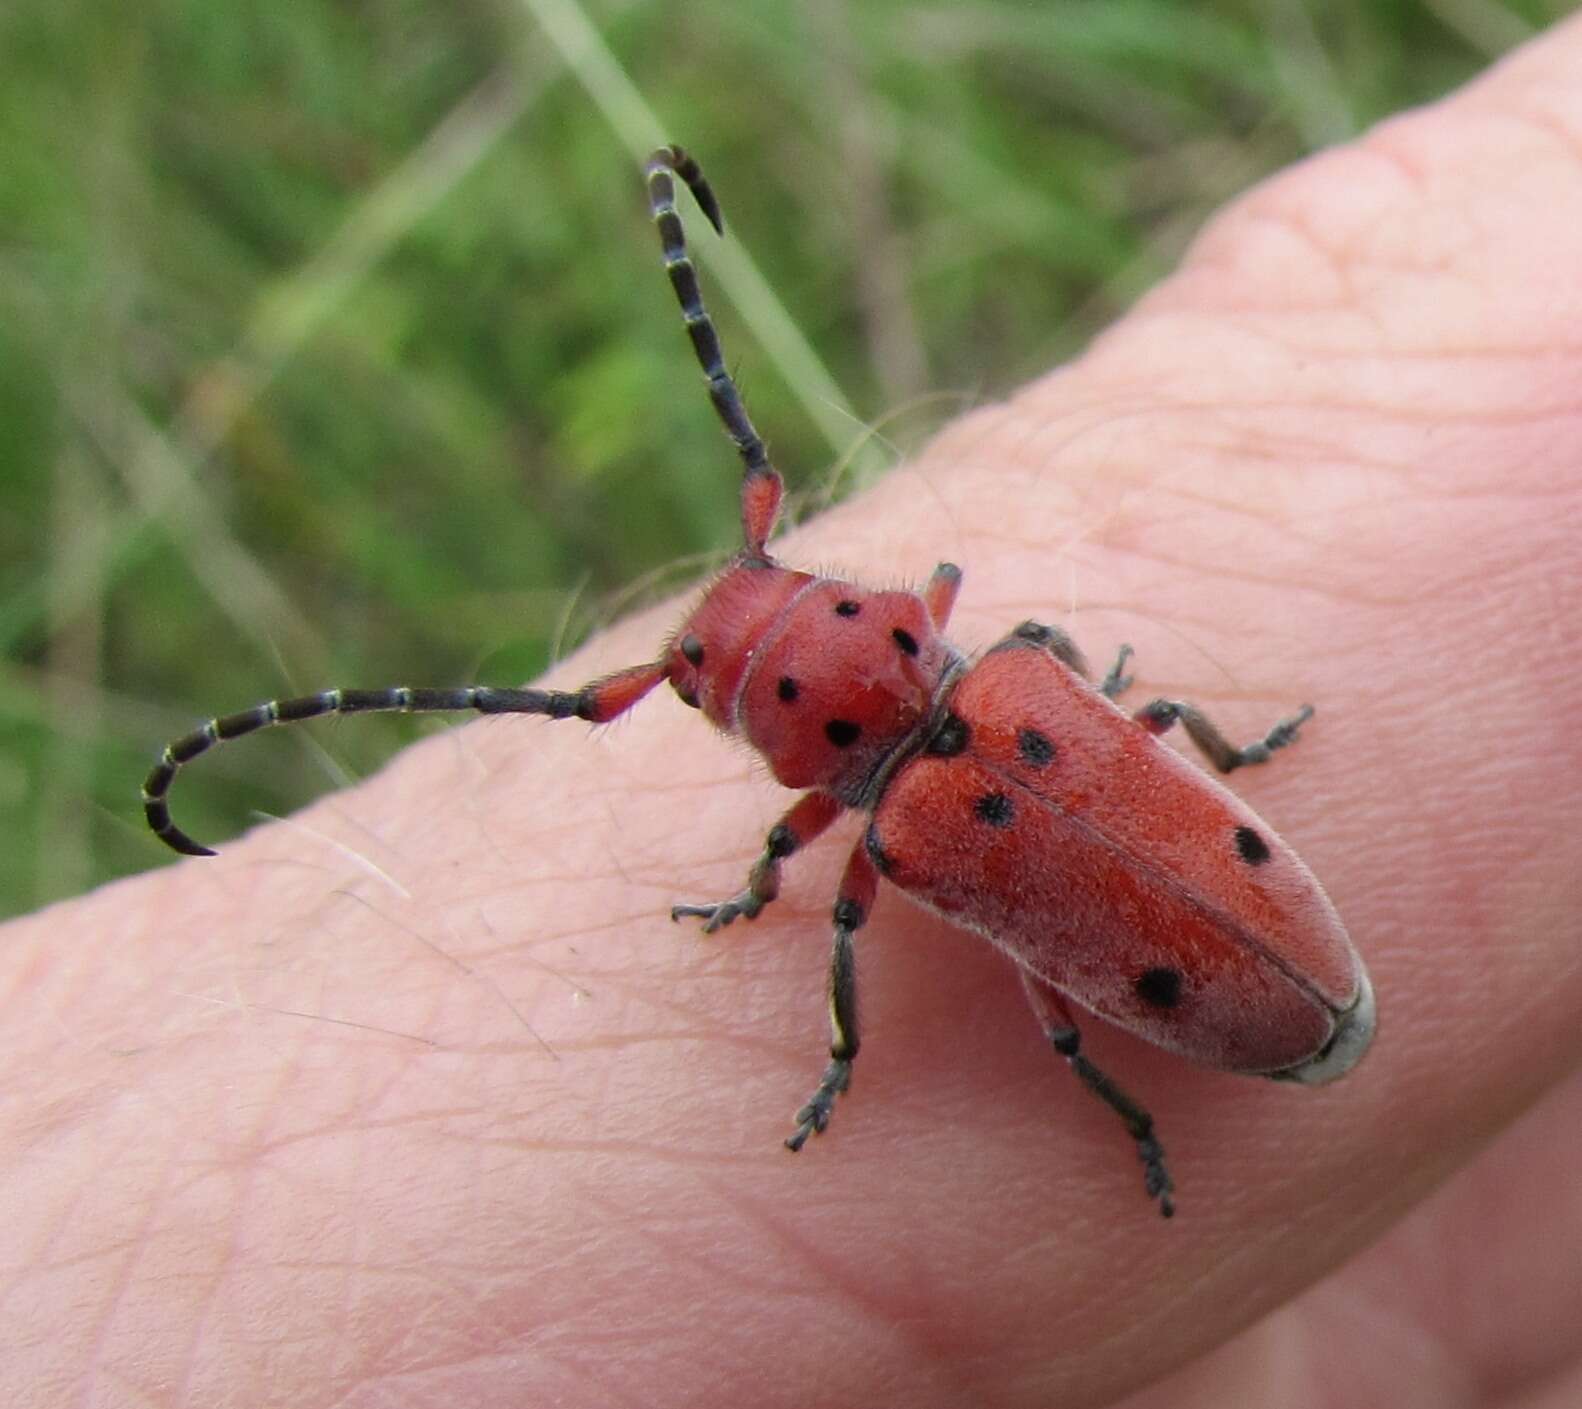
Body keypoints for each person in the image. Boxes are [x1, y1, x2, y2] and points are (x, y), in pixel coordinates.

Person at [5, 15, 1580, 1406]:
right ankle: (1147, 1012)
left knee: (942, 963)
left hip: (1241, 978)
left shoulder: (884, 835)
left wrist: (787, 920)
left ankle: (1099, 1086)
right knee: (1120, 736)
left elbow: (839, 924)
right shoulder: (1008, 677)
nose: (722, 626)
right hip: (1233, 970)